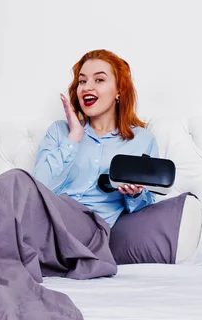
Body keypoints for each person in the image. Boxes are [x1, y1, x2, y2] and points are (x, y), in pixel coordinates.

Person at [33, 49, 159, 228]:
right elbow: (36, 188)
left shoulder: (142, 140)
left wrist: (133, 195)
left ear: (119, 91)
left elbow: (145, 208)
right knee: (11, 183)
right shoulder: (60, 131)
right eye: (82, 81)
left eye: (99, 80)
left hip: (91, 230)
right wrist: (74, 137)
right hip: (45, 221)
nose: (86, 87)